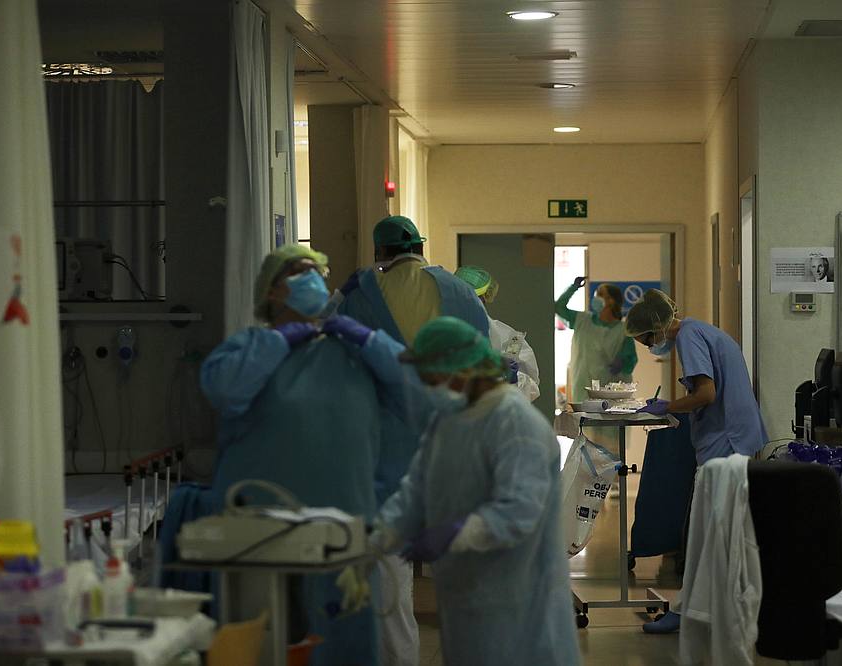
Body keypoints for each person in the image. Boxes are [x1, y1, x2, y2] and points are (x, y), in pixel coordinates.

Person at [200, 243, 410, 666]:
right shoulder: (249, 348)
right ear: (271, 292)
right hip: (261, 534)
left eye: (318, 271)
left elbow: (414, 382)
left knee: (342, 640)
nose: (312, 279)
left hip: (344, 530)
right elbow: (224, 390)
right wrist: (278, 342)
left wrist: (364, 336)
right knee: (268, 640)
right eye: (297, 272)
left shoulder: (351, 353)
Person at [373, 316, 581, 666]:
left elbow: (518, 512)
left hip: (519, 599)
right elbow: (416, 489)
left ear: (462, 370)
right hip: (465, 594)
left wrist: (455, 532)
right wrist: (378, 535)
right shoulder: (448, 420)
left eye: (432, 376)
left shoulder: (515, 423)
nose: (425, 386)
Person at [337, 215, 489, 666]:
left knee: (389, 575)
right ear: (421, 247)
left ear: (380, 252)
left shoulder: (360, 297)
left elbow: (336, 359)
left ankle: (400, 659)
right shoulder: (461, 294)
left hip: (386, 454)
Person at [625, 288, 767, 634]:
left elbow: (706, 394)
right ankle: (706, 607)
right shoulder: (703, 330)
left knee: (708, 533)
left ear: (656, 327)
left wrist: (667, 407)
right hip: (733, 437)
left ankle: (689, 611)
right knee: (718, 531)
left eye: (645, 340)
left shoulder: (688, 336)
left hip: (726, 442)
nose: (647, 347)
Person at [454, 265, 541, 402]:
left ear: (484, 298)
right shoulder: (442, 334)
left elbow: (532, 389)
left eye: (473, 298)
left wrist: (514, 379)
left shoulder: (508, 338)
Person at [556, 276, 638, 403]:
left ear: (611, 301)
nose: (595, 298)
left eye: (600, 294)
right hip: (582, 388)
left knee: (610, 421)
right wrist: (573, 288)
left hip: (611, 391)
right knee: (585, 420)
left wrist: (622, 362)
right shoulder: (582, 320)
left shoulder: (623, 330)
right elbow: (558, 308)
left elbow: (630, 361)